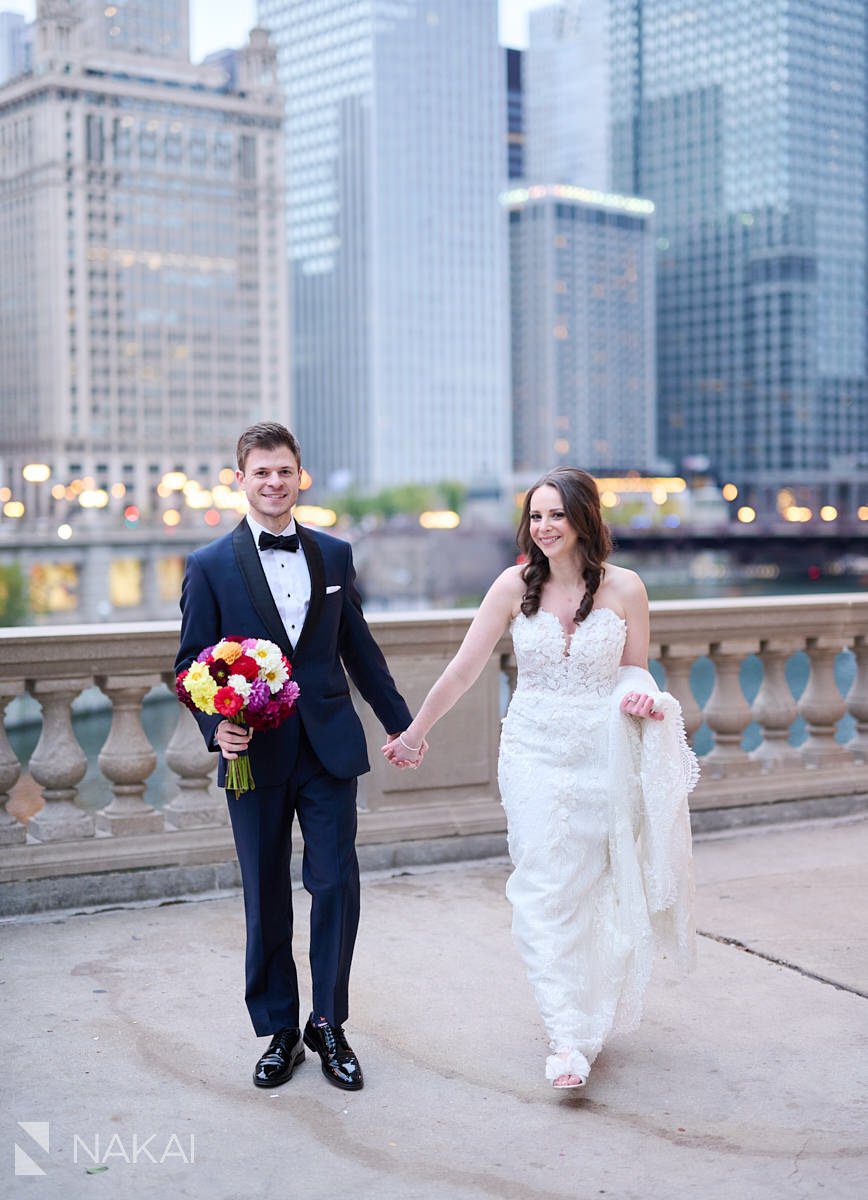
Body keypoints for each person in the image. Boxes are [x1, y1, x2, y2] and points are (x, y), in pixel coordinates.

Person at [383, 467, 698, 1090]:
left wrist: (643, 701)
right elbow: (464, 669)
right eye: (535, 516)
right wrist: (416, 731)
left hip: (598, 754)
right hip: (530, 752)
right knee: (542, 886)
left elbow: (634, 673)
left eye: (555, 514)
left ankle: (585, 1013)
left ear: (584, 518)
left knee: (590, 886)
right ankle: (566, 1038)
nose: (544, 527)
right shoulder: (511, 586)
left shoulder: (626, 589)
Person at [175, 422, 420, 1092]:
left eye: (284, 471)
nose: (274, 483)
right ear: (242, 479)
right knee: (265, 893)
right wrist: (214, 729)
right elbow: (190, 665)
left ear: (299, 476)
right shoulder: (209, 566)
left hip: (331, 747)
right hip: (253, 753)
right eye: (261, 473)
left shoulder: (335, 556)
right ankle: (280, 1030)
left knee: (336, 883)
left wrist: (405, 725)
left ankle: (329, 1023)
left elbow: (360, 652)